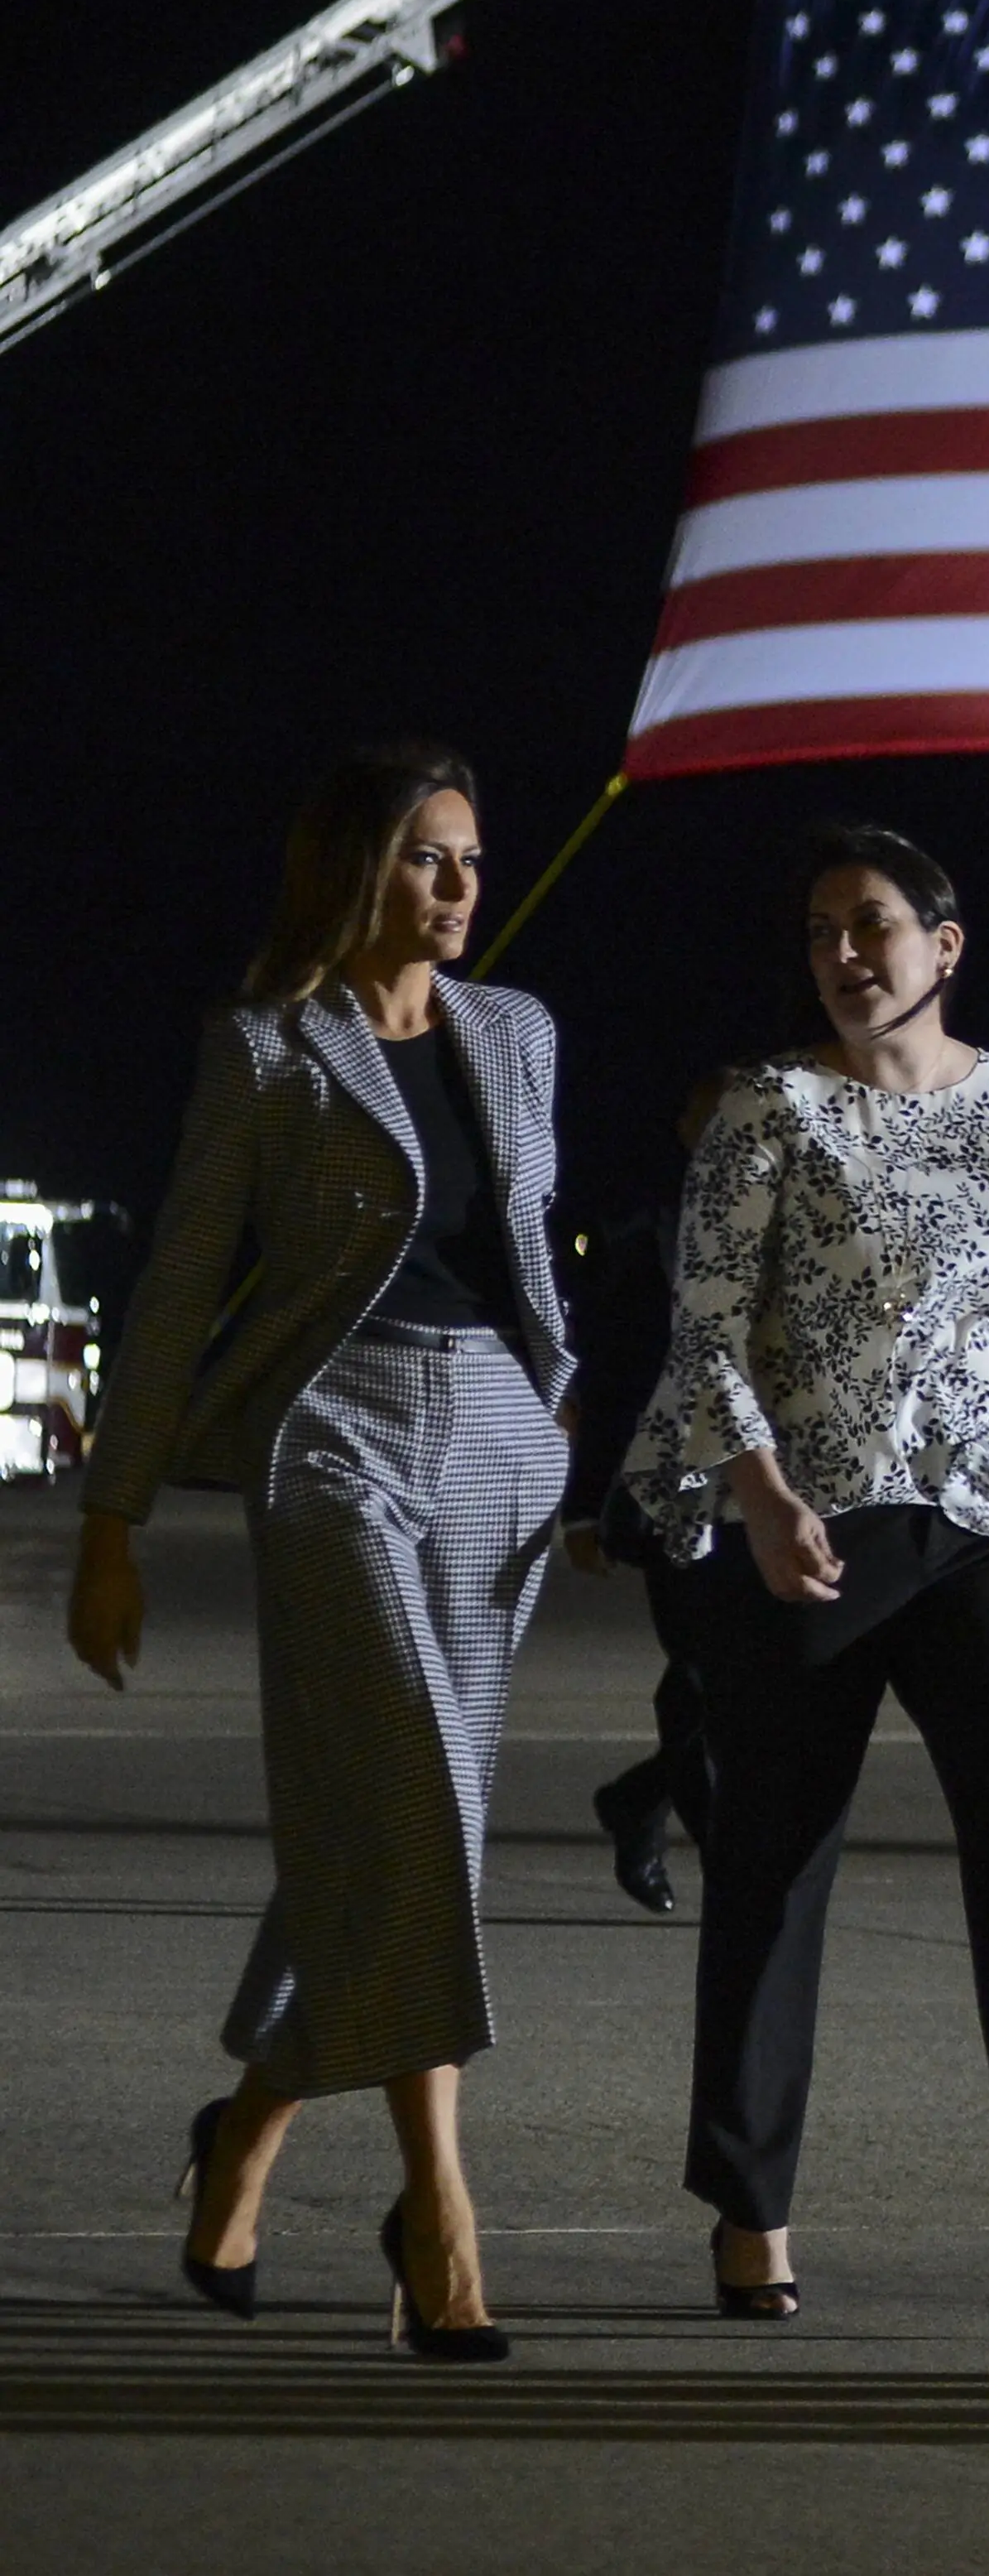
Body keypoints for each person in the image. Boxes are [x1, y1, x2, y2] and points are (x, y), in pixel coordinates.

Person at [625, 823, 989, 2331]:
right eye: (821, 926)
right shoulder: (771, 1109)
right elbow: (703, 1331)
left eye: (873, 924)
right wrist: (758, 1496)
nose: (842, 952)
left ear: (943, 947)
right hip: (816, 1529)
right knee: (776, 1862)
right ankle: (751, 2205)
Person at [65, 740, 575, 2364]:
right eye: (431, 858)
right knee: (415, 1803)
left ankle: (248, 2138)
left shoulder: (520, 1030)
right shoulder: (268, 1044)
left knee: (383, 1828)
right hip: (334, 1433)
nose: (461, 886)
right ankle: (438, 2212)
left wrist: (573, 1435)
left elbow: (526, 1255)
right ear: (357, 869)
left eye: (476, 859)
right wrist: (110, 1521)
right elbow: (188, 1270)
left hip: (498, 1436)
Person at [566, 1069, 735, 1911]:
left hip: (769, 1490)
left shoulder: (790, 1217)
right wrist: (582, 1503)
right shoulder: (653, 1232)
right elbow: (615, 1372)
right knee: (704, 1671)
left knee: (732, 1677)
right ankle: (702, 1838)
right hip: (677, 1490)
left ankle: (642, 1801)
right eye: (709, 1109)